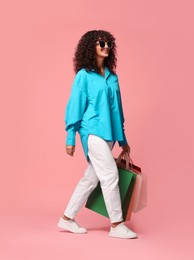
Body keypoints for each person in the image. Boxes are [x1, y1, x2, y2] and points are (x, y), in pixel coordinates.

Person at [57, 30, 138, 239]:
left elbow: (118, 111)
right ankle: (116, 224)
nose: (106, 46)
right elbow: (75, 107)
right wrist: (70, 138)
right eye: (101, 42)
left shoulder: (113, 78)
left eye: (109, 43)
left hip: (110, 134)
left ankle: (66, 219)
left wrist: (123, 141)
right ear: (90, 46)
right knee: (110, 175)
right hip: (91, 132)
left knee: (90, 179)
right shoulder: (84, 76)